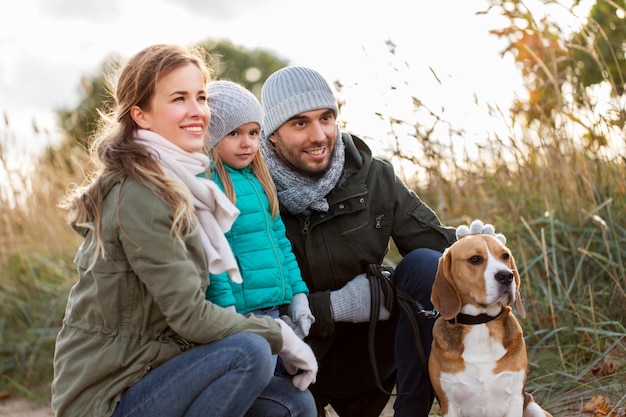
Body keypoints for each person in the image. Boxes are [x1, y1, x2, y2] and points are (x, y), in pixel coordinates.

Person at [51, 44, 317, 417]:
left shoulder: (185, 183)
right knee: (250, 351)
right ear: (141, 115)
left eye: (201, 97)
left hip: (161, 365)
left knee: (293, 404)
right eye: (179, 98)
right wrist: (280, 335)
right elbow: (190, 315)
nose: (197, 111)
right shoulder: (140, 192)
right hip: (112, 393)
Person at [259, 66, 500, 417]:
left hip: (367, 352)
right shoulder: (250, 193)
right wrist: (336, 305)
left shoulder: (373, 176)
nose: (319, 135)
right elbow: (242, 304)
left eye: (326, 118)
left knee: (425, 267)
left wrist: (479, 250)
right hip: (289, 358)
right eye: (300, 123)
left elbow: (438, 248)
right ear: (272, 136)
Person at [204, 80, 314, 343]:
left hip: (272, 306)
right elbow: (212, 254)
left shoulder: (259, 181)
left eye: (253, 133)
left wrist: (299, 295)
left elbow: (280, 243)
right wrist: (225, 309)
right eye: (234, 133)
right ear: (211, 135)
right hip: (237, 312)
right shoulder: (207, 183)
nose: (246, 143)